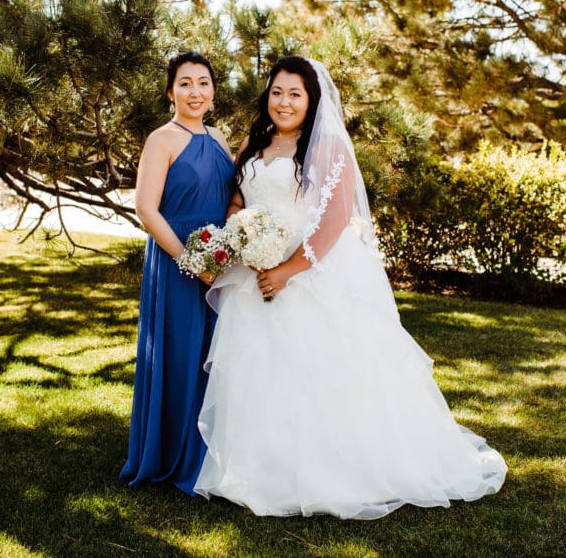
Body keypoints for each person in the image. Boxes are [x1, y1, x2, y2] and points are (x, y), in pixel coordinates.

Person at [193, 56, 507, 518]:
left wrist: (289, 268)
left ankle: (332, 473)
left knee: (319, 373)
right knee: (260, 372)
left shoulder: (328, 148)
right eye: (277, 92)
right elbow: (238, 197)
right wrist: (241, 229)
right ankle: (262, 472)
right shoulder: (253, 143)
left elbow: (337, 218)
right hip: (254, 275)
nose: (284, 102)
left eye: (294, 94)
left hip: (311, 273)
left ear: (311, 99)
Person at [120, 51, 234, 496]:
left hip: (219, 261)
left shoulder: (220, 137)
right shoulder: (161, 139)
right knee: (179, 353)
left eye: (203, 83)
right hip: (177, 260)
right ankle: (171, 455)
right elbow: (146, 209)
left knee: (215, 356)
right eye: (185, 83)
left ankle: (213, 454)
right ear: (170, 92)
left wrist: (228, 252)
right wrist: (192, 260)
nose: (195, 92)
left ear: (213, 91)